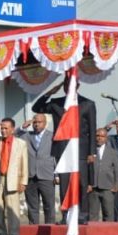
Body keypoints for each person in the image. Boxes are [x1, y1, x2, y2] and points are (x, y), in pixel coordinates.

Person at [33, 74, 96, 222]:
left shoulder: (87, 103)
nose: (68, 87)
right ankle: (66, 215)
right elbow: (36, 108)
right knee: (64, 185)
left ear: (78, 86)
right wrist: (49, 93)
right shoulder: (56, 103)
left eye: (72, 84)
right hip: (62, 149)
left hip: (81, 150)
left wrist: (92, 152)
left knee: (81, 184)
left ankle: (83, 215)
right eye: (66, 84)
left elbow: (92, 129)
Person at [0, 118, 27, 235]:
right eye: (2, 128)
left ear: (12, 129)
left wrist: (23, 181)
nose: (3, 130)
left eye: (6, 128)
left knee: (12, 209)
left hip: (13, 179)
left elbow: (24, 162)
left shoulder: (20, 143)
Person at [19, 114, 56, 225]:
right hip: (30, 176)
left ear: (45, 123)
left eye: (39, 122)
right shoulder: (26, 136)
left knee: (49, 205)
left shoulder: (53, 136)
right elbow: (12, 136)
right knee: (32, 206)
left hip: (47, 175)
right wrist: (22, 127)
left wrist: (57, 175)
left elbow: (57, 156)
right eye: (35, 122)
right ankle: (33, 230)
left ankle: (49, 229)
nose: (36, 124)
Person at [88, 128, 118, 222]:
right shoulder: (90, 151)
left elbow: (117, 169)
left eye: (102, 136)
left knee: (108, 213)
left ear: (106, 138)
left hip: (108, 187)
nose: (99, 138)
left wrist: (117, 184)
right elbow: (85, 168)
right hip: (93, 187)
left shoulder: (112, 152)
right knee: (92, 214)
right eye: (97, 136)